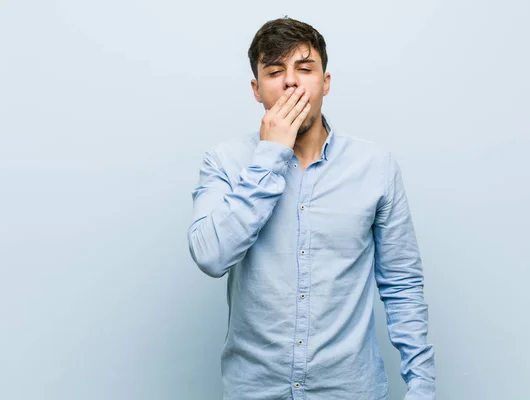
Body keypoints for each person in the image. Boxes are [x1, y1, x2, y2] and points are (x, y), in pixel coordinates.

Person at [187, 16, 436, 400]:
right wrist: (270, 156)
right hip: (255, 391)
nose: (290, 81)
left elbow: (402, 284)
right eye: (275, 71)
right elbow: (210, 256)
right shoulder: (224, 162)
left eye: (305, 69)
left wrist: (422, 388)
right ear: (256, 89)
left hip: (350, 390)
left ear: (325, 82)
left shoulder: (375, 166)